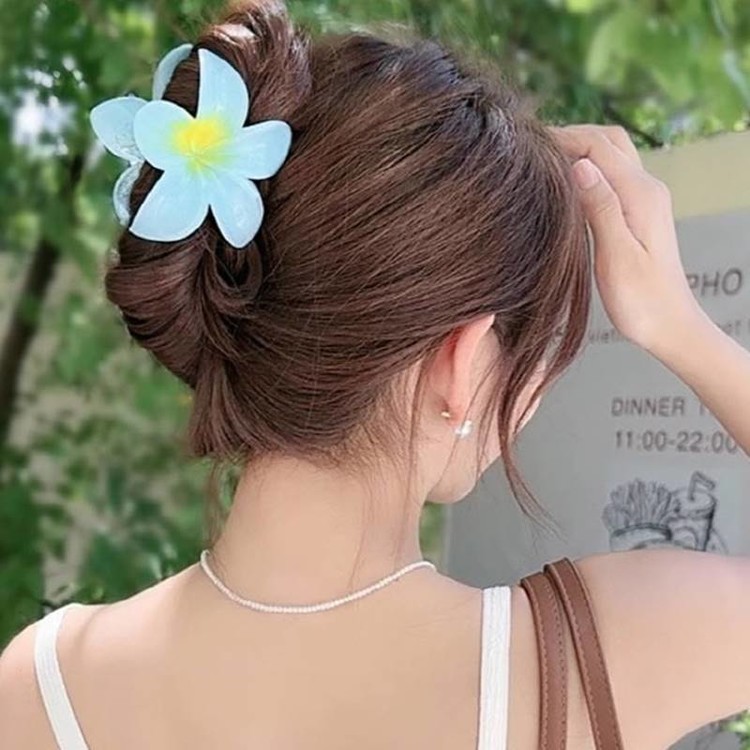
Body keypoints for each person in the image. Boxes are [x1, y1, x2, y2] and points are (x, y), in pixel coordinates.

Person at [1, 1, 749, 748]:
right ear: (464, 361)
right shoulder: (596, 661)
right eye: (535, 359)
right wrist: (679, 326)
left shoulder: (42, 681)